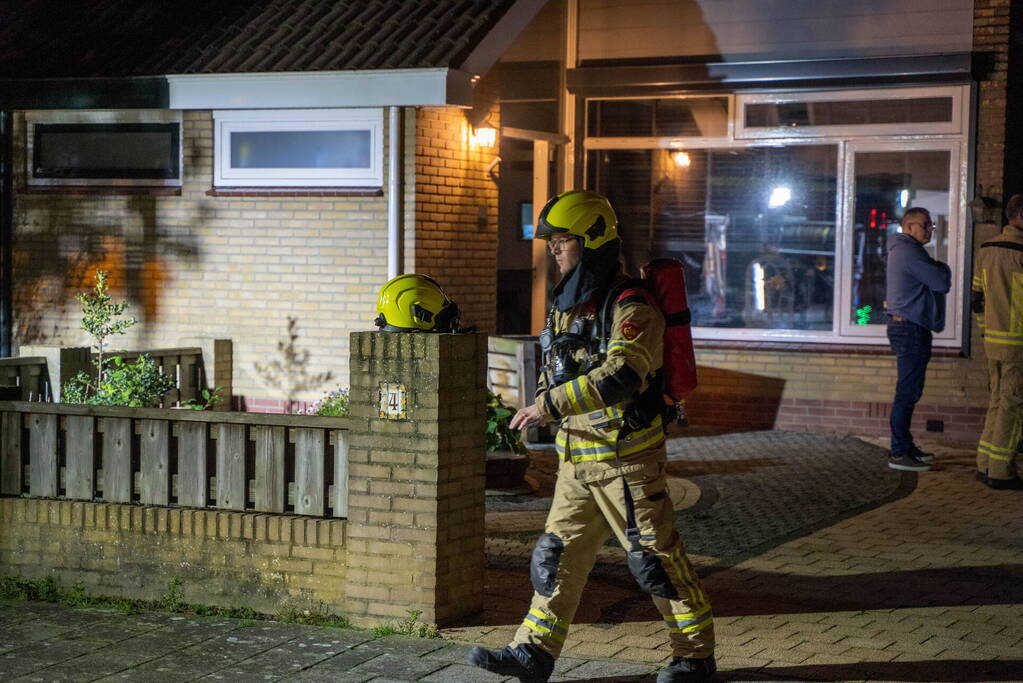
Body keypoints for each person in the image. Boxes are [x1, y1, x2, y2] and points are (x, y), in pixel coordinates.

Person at [468, 191, 716, 683]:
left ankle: (695, 657)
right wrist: (546, 398)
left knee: (654, 561)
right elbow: (554, 366)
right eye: (552, 243)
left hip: (626, 462)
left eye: (563, 242)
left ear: (593, 242)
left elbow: (623, 373)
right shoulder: (567, 305)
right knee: (556, 556)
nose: (554, 252)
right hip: (577, 460)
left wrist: (549, 406)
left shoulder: (632, 306)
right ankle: (532, 653)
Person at [885, 207, 951, 471]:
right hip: (910, 329)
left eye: (931, 225)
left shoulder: (904, 250)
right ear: (909, 226)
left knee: (910, 391)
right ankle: (899, 453)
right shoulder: (909, 252)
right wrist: (943, 267)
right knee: (907, 392)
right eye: (925, 225)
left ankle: (906, 445)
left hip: (910, 327)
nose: (929, 229)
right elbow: (940, 282)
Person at [972, 194, 1023, 490]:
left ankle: (984, 464)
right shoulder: (1020, 251)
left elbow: (976, 298)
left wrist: (984, 331)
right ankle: (1001, 471)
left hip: (992, 341)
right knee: (1012, 405)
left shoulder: (987, 249)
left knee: (996, 401)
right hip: (1017, 344)